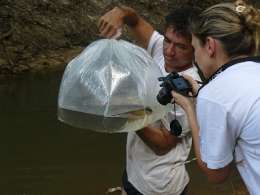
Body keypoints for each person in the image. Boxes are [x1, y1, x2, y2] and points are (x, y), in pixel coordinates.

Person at [98, 6, 202, 195]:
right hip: (135, 172)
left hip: (158, 185)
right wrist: (120, 12)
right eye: (167, 40)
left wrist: (127, 111)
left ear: (196, 50)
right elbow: (135, 20)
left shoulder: (190, 90)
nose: (169, 51)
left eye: (181, 46)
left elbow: (162, 145)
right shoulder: (161, 52)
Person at [170, 1, 260, 194]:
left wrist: (191, 109)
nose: (195, 57)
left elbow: (216, 173)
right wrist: (203, 95)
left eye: (195, 48)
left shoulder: (214, 94)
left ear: (210, 46)